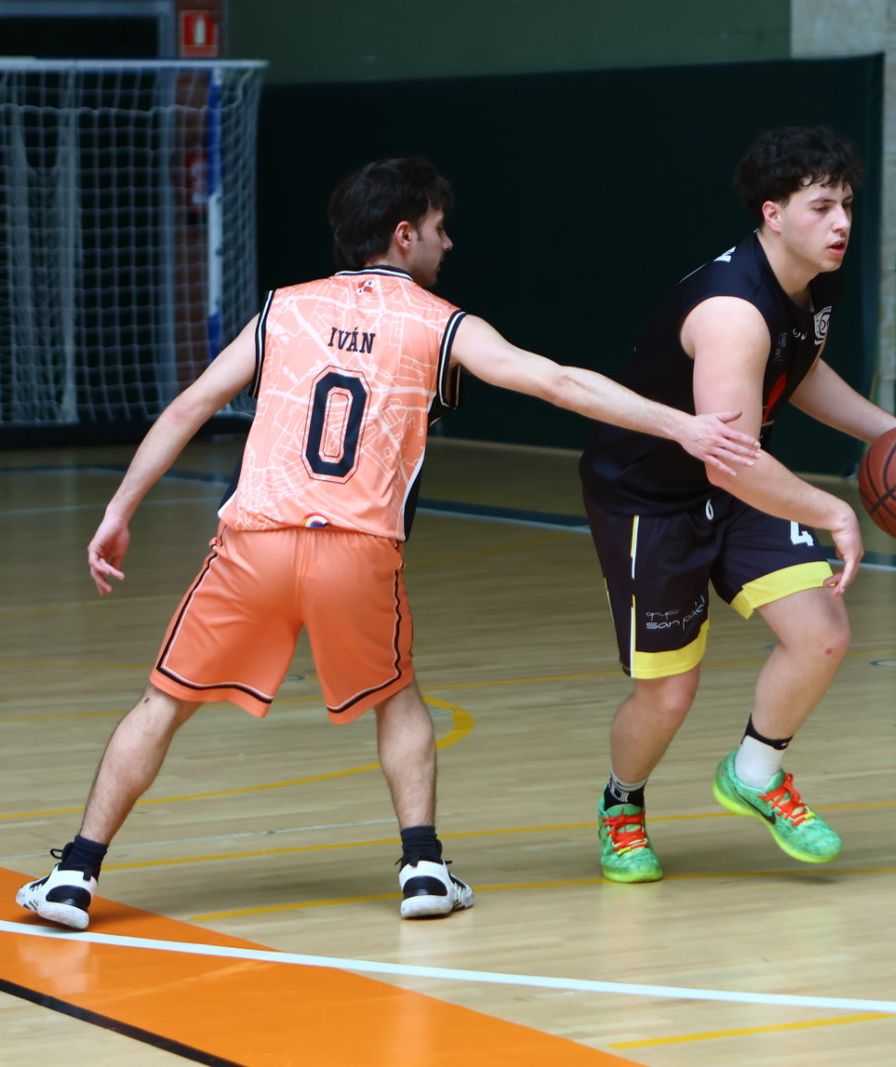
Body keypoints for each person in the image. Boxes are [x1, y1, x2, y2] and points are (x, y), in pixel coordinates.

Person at [15, 157, 760, 932]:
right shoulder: (442, 323)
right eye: (440, 230)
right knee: (398, 700)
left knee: (162, 701)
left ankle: (74, 874)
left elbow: (190, 407)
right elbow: (556, 382)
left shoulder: (283, 310)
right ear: (404, 235)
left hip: (256, 541)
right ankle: (423, 865)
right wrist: (682, 424)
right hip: (359, 550)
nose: (448, 244)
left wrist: (119, 508)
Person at [578, 126, 896, 884]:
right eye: (822, 206)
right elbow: (729, 460)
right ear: (772, 213)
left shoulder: (815, 279)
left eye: (847, 204)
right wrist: (833, 509)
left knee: (820, 632)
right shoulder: (733, 310)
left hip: (734, 477)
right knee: (667, 693)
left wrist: (894, 433)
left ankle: (755, 772)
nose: (842, 223)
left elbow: (800, 373)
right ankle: (621, 802)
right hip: (651, 496)